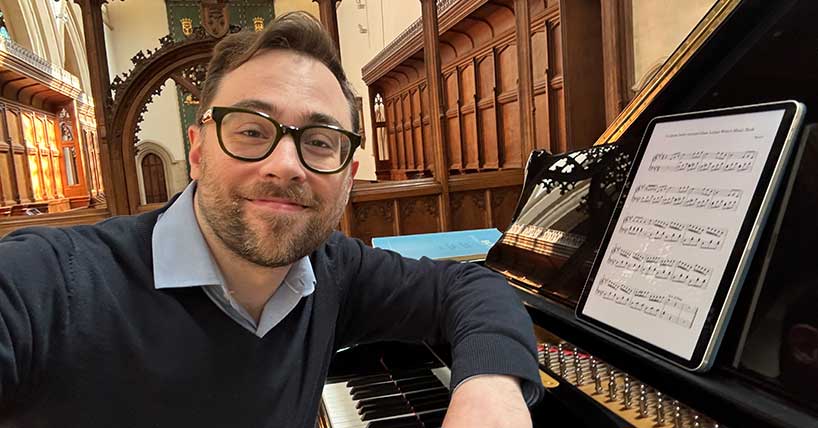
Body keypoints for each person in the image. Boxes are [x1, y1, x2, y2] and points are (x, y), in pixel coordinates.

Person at [0, 12, 542, 428]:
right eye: (252, 131)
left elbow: (472, 287)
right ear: (198, 150)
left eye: (320, 141)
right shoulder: (50, 283)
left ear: (348, 176)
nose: (286, 165)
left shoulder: (331, 270)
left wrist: (489, 386)